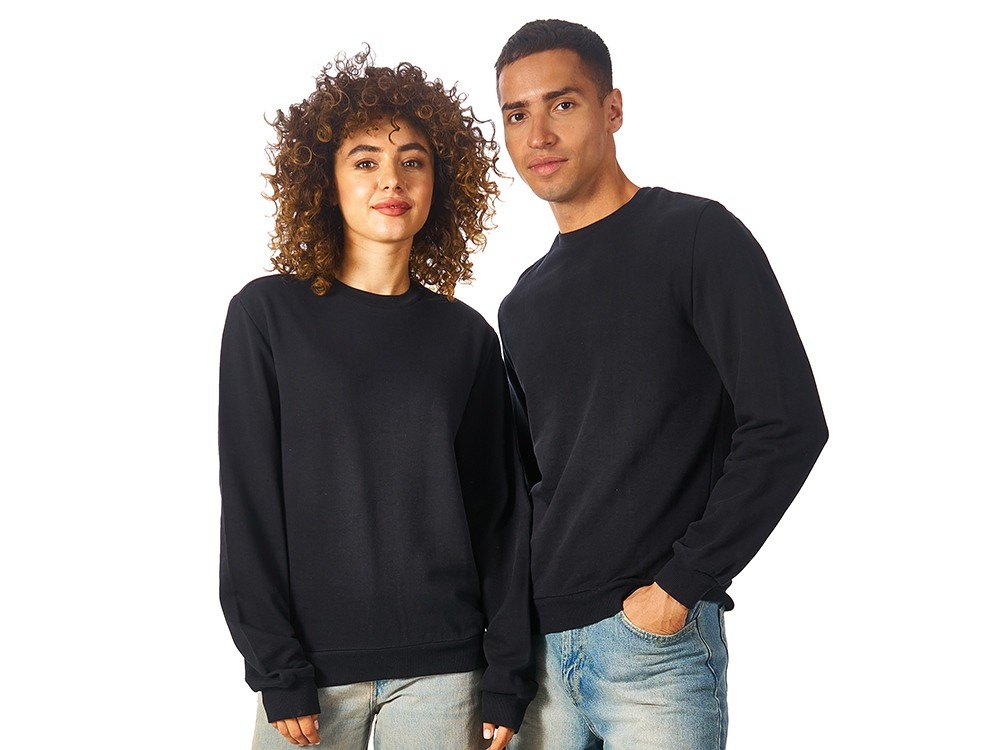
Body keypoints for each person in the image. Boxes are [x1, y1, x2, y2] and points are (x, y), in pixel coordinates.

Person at [493, 19, 829, 750]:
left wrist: (682, 585)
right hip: (542, 655)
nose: (539, 134)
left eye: (562, 104)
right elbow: (528, 485)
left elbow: (787, 423)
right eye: (516, 115)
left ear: (612, 109)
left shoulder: (696, 237)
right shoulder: (520, 303)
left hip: (653, 648)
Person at [218, 48, 534, 750]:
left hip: (446, 673)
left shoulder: (467, 339)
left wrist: (508, 677)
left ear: (439, 182)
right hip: (310, 675)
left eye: (412, 160)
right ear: (326, 183)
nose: (391, 179)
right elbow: (248, 506)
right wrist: (277, 668)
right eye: (365, 161)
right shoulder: (266, 317)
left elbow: (501, 522)